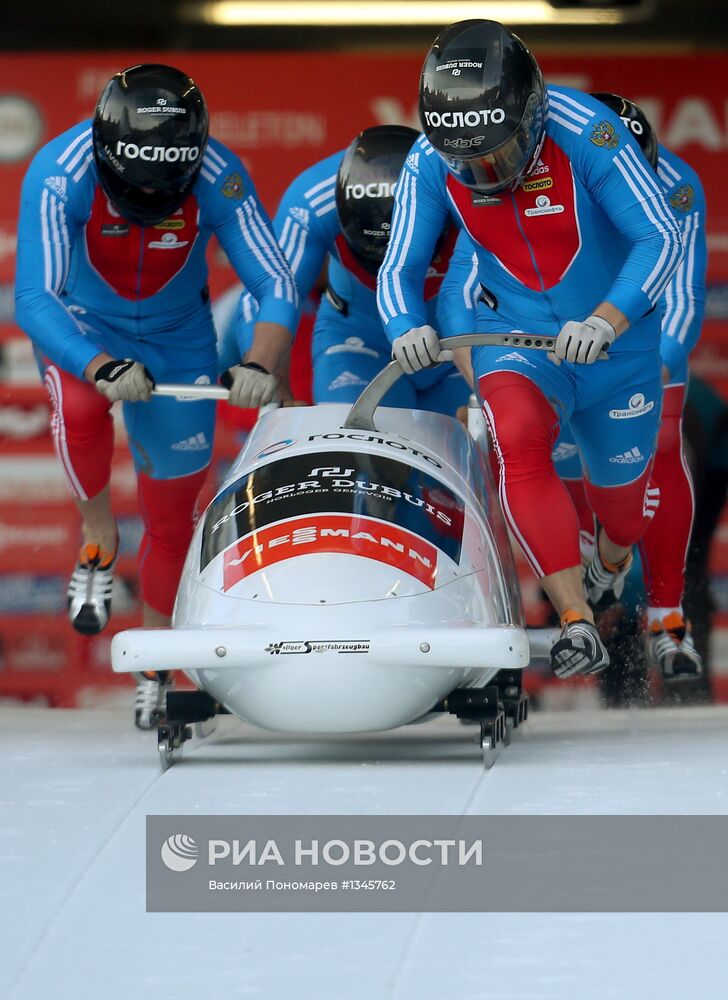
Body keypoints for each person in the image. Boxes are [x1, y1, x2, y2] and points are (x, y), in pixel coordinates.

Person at [376, 19, 684, 680]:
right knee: (516, 434)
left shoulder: (589, 132)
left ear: (532, 115)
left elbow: (658, 236)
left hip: (615, 350)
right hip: (516, 337)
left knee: (623, 514)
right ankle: (575, 618)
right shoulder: (431, 161)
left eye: (498, 154)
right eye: (468, 160)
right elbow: (398, 268)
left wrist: (607, 319)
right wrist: (406, 324)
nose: (484, 172)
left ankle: (609, 562)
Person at [14, 64, 298, 728]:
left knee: (172, 518)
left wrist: (260, 361)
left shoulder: (220, 176)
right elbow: (35, 295)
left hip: (179, 334)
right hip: (87, 325)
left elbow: (275, 281)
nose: (146, 199)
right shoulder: (60, 174)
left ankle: (159, 664)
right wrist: (98, 363)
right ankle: (97, 537)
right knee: (82, 406)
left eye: (163, 189)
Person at [551, 93, 707, 682]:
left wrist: (661, 362)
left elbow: (686, 292)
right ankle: (595, 563)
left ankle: (668, 612)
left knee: (661, 446)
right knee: (559, 452)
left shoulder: (677, 183)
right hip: (567, 335)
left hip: (641, 338)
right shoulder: (558, 167)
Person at [225, 125, 476, 413]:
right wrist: (262, 369)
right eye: (375, 257)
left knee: (484, 443)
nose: (387, 268)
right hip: (357, 339)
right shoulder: (312, 199)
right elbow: (272, 289)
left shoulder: (462, 188)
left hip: (457, 338)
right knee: (356, 453)